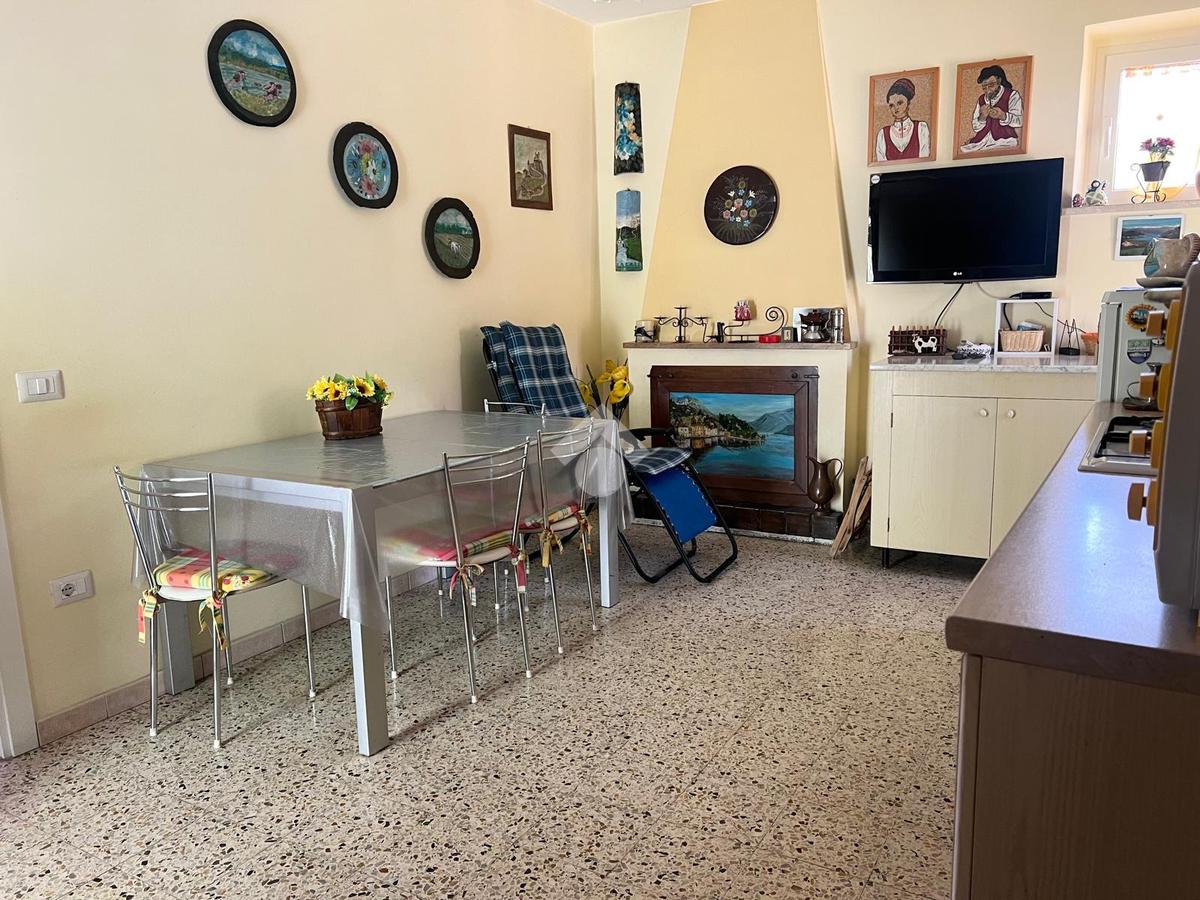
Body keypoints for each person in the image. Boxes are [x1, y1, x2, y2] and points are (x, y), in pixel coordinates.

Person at [960, 64, 1023, 154]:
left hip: (1004, 140)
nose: (987, 90)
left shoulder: (1012, 95)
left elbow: (1020, 121)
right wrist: (982, 117)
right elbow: (975, 127)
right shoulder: (981, 99)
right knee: (964, 150)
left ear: (999, 81)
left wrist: (1003, 116)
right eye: (984, 87)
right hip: (981, 141)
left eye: (991, 85)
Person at [874, 78, 931, 162]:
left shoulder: (921, 128)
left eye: (900, 103)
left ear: (908, 103)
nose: (896, 108)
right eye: (891, 105)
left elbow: (924, 160)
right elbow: (881, 164)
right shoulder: (883, 134)